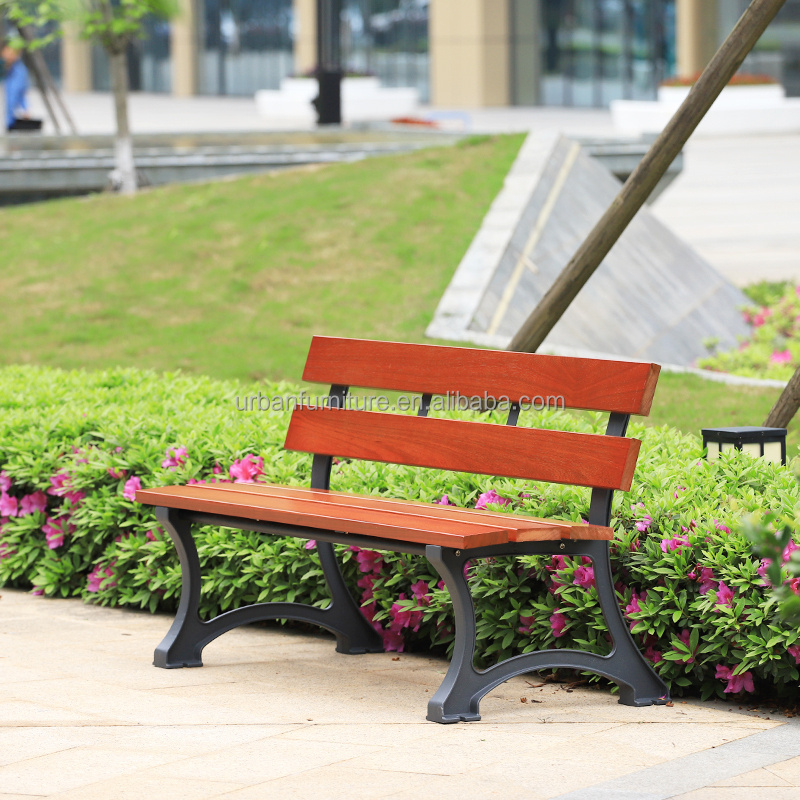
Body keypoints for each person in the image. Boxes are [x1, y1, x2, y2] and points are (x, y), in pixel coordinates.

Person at [2, 42, 30, 132]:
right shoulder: (8, 69)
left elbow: (19, 93)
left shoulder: (19, 72)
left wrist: (25, 109)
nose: (5, 54)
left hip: (13, 121)